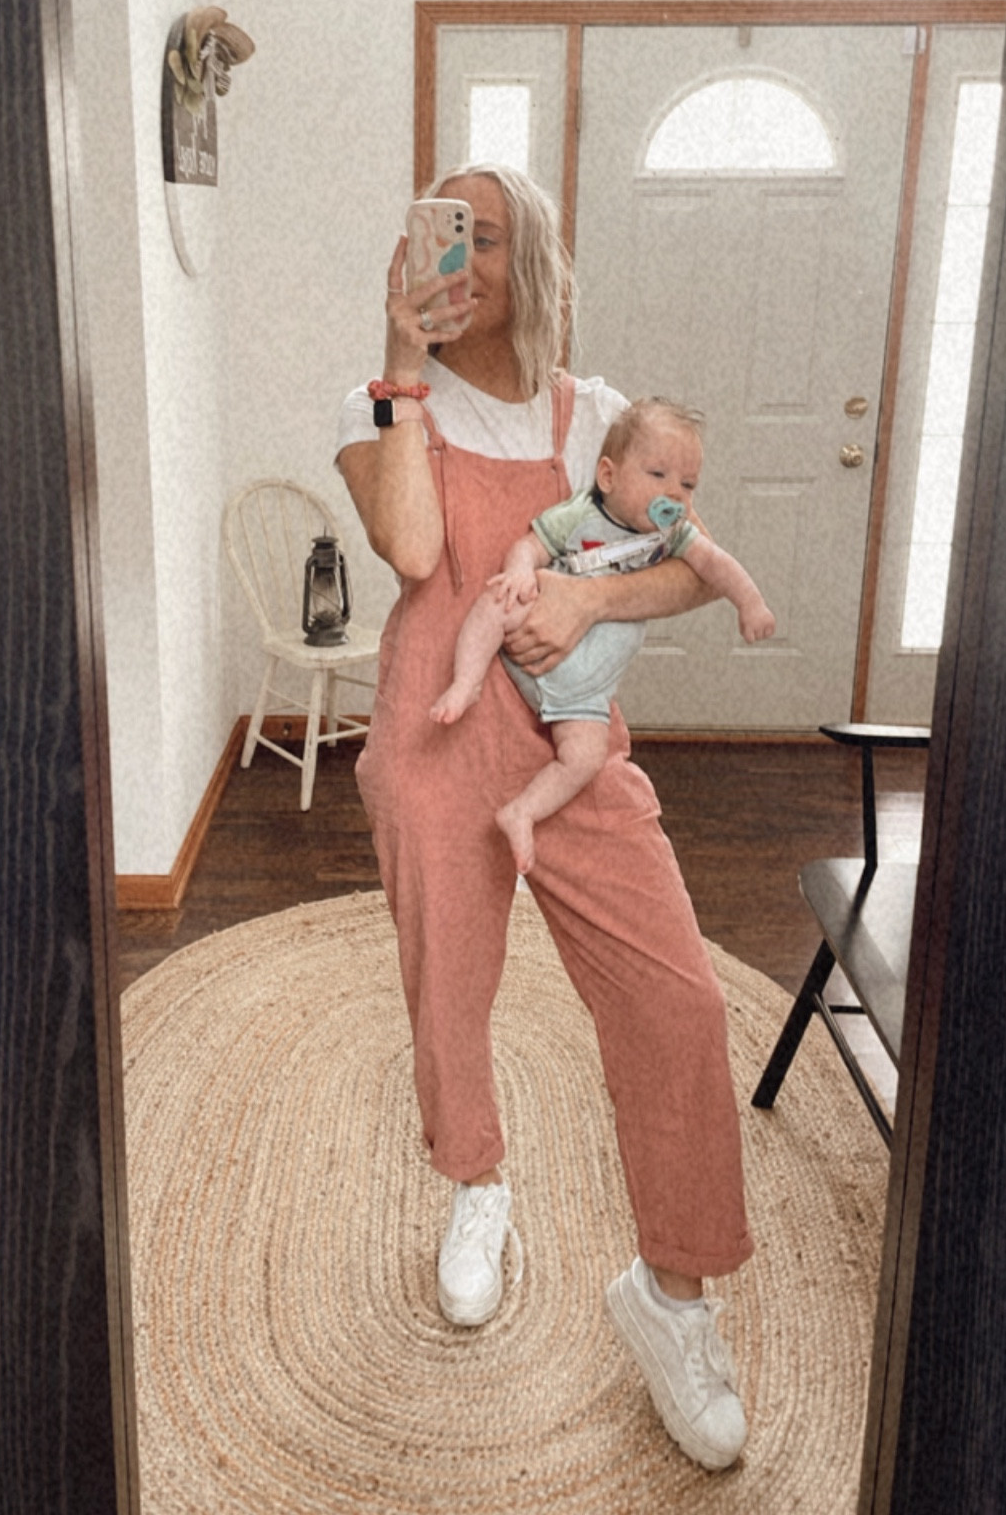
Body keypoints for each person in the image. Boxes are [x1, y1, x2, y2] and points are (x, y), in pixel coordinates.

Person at [335, 163, 753, 1473]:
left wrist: (588, 601)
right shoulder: (378, 400)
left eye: (485, 239)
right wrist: (403, 359)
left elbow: (692, 565)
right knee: (449, 990)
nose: (458, 259)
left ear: (530, 264)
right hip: (436, 726)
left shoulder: (600, 418)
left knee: (677, 999)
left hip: (570, 740)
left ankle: (671, 1295)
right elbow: (414, 553)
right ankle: (477, 1183)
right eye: (440, 233)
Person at [430, 396, 775, 874]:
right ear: (609, 476)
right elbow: (530, 545)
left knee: (585, 757)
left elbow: (717, 565)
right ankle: (465, 682)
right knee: (495, 602)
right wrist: (520, 572)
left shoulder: (675, 536)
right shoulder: (581, 513)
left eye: (688, 484)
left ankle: (523, 812)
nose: (674, 494)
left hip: (583, 693)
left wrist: (751, 603)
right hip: (532, 630)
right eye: (658, 475)